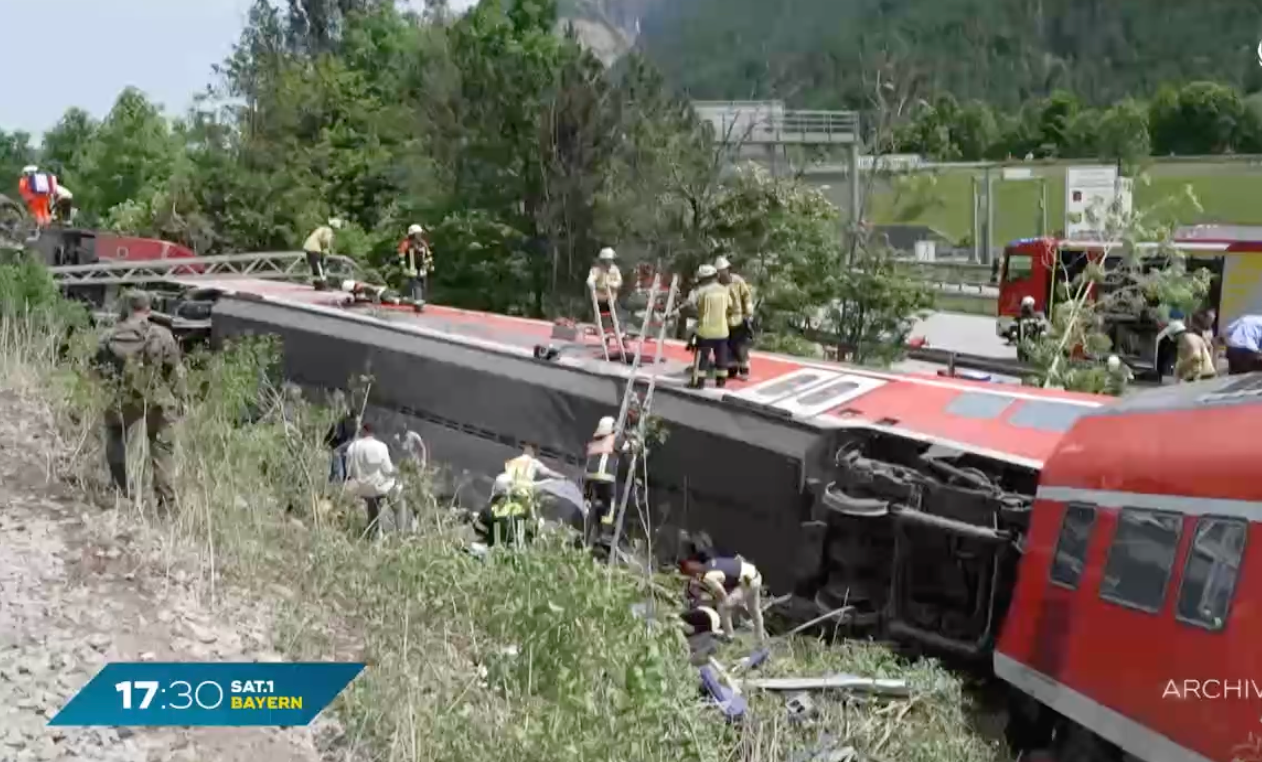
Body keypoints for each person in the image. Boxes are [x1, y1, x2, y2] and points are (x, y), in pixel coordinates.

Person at [93, 291, 186, 513]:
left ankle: (121, 489)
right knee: (162, 451)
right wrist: (181, 398)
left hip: (125, 399)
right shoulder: (162, 335)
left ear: (126, 308)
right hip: (158, 399)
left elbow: (98, 370)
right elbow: (175, 372)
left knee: (115, 432)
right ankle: (167, 508)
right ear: (148, 310)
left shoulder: (109, 336)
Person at [680, 555, 766, 642]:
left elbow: (720, 592)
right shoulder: (708, 565)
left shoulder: (708, 576)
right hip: (755, 575)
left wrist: (725, 600)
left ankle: (729, 636)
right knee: (754, 610)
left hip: (747, 580)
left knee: (723, 606)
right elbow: (720, 580)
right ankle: (760, 639)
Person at [344, 421, 398, 537]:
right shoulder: (381, 446)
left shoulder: (352, 447)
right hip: (376, 489)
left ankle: (371, 527)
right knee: (396, 485)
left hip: (357, 487)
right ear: (374, 432)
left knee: (371, 501)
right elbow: (388, 470)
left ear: (363, 431)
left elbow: (348, 470)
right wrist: (397, 471)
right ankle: (388, 524)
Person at [683, 264, 733, 389]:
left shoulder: (698, 291)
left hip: (705, 331)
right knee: (721, 357)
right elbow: (730, 306)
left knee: (702, 358)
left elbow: (688, 306)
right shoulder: (724, 290)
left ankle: (698, 382)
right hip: (722, 331)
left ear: (702, 278)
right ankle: (721, 381)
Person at [715, 256, 755, 380]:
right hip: (724, 319)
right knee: (727, 346)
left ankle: (744, 370)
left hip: (738, 316)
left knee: (740, 345)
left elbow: (746, 295)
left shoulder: (737, 281)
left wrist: (748, 308)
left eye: (724, 270)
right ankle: (731, 368)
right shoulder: (717, 284)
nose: (722, 273)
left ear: (728, 269)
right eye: (720, 271)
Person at [474, 473, 534, 547]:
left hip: (497, 553)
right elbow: (533, 527)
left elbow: (479, 528)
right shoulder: (523, 504)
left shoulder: (489, 508)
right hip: (521, 551)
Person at [1167, 319, 1217, 383]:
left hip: (1202, 376)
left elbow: (1196, 357)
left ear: (1175, 334)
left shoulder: (1188, 339)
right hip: (1195, 375)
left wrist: (1180, 366)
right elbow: (1210, 347)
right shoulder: (1185, 341)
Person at [586, 247, 623, 329]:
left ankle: (620, 331)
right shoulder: (596, 269)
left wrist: (611, 284)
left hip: (612, 298)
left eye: (611, 260)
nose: (609, 262)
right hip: (600, 299)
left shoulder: (615, 269)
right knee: (602, 318)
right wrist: (591, 283)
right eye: (608, 260)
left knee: (617, 316)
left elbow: (619, 282)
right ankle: (601, 329)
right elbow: (591, 279)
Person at [397, 224, 434, 306]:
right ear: (412, 234)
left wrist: (430, 265)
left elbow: (428, 255)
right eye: (418, 234)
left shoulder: (423, 243)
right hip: (411, 272)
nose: (419, 235)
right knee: (415, 290)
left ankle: (422, 304)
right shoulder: (406, 244)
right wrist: (403, 268)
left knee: (424, 290)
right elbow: (401, 257)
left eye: (420, 233)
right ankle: (414, 303)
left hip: (423, 271)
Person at [302, 218, 343, 291]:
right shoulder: (328, 231)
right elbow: (325, 241)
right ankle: (324, 286)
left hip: (309, 247)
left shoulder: (322, 228)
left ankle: (318, 285)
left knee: (315, 269)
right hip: (314, 249)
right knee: (319, 268)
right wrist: (328, 250)